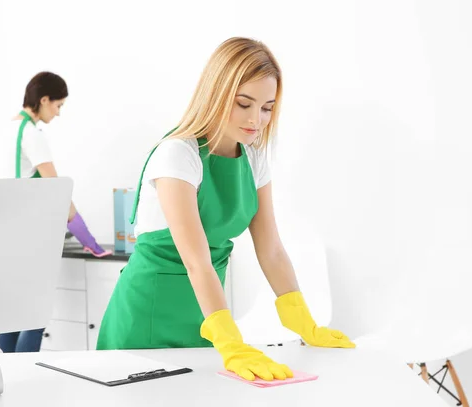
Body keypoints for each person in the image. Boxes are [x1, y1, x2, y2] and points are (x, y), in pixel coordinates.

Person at [96, 38, 355, 380]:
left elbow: (272, 250)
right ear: (216, 93)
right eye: (243, 104)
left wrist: (302, 321)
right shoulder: (178, 153)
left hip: (206, 319)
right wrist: (230, 340)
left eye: (266, 107)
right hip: (149, 317)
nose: (256, 119)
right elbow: (196, 259)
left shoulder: (254, 156)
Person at [0, 71, 111, 353]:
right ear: (43, 100)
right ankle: (27, 377)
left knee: (10, 311)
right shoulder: (32, 135)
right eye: (58, 106)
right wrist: (89, 242)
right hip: (31, 236)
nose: (57, 113)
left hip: (4, 236)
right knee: (34, 312)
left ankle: (10, 380)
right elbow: (58, 191)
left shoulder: (3, 133)